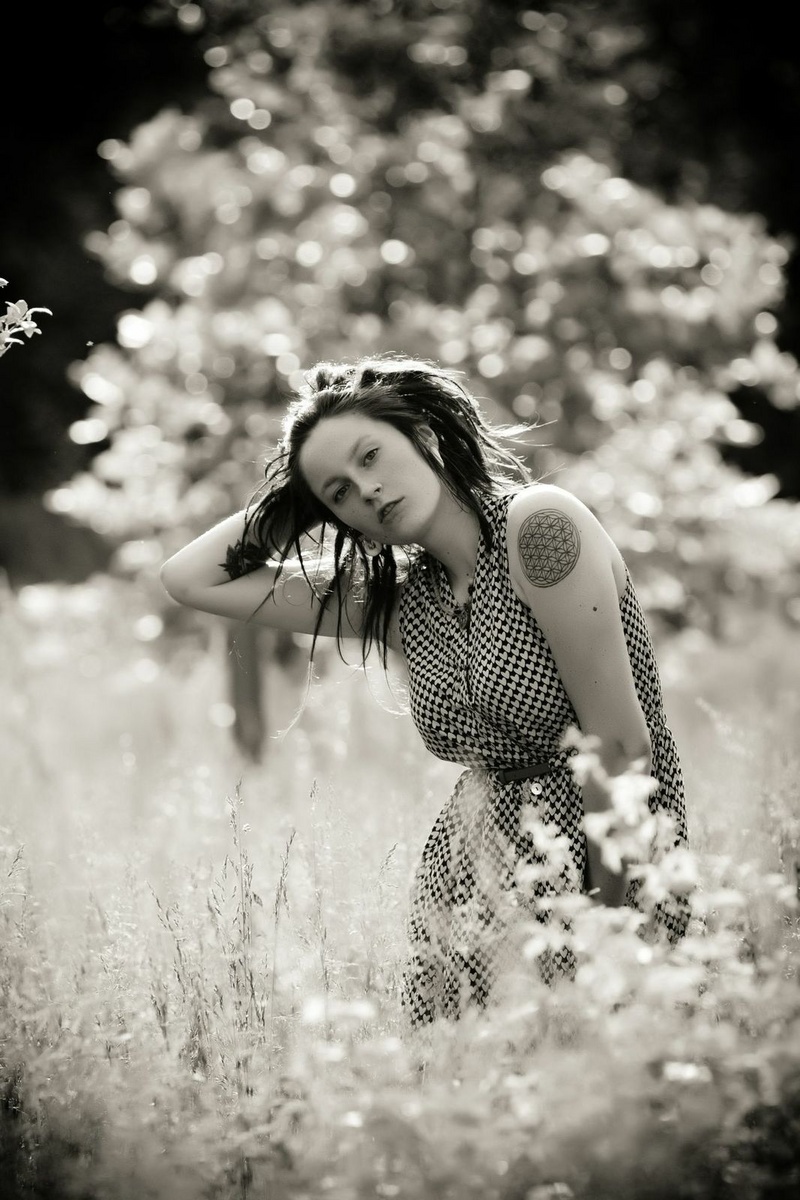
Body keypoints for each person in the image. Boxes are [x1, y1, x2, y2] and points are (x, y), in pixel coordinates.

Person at [160, 354, 689, 1028]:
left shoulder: (540, 528)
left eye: (372, 456)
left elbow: (619, 747)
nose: (368, 490)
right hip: (466, 890)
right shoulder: (395, 600)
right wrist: (297, 502)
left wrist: (602, 936)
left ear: (425, 435)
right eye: (341, 492)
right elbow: (190, 579)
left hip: (604, 876)